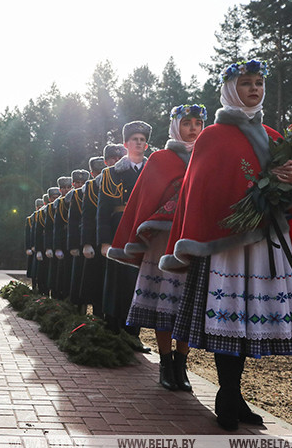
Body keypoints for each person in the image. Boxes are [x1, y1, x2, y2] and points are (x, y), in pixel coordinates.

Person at [160, 60, 292, 431]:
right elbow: (202, 190)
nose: (255, 89)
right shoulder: (213, 136)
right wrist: (242, 205)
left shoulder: (272, 135)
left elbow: (291, 187)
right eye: (247, 83)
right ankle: (227, 396)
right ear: (231, 88)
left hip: (265, 245)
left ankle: (234, 395)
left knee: (250, 322)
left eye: (259, 83)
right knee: (230, 320)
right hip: (227, 246)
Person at [109, 104, 207, 391]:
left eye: (198, 123)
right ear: (175, 125)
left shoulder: (207, 156)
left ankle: (182, 363)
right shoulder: (160, 158)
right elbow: (144, 199)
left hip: (193, 242)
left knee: (187, 306)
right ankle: (166, 363)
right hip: (163, 245)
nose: (193, 128)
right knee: (165, 305)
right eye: (186, 122)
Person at [98, 120, 153, 353]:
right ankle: (112, 330)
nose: (138, 143)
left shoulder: (154, 172)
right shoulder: (111, 174)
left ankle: (133, 335)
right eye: (134, 140)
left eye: (142, 140)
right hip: (119, 230)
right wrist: (104, 241)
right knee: (116, 281)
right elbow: (102, 211)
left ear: (147, 145)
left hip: (142, 232)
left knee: (138, 283)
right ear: (126, 144)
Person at [80, 150, 120, 316]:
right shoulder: (91, 186)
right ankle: (97, 315)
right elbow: (88, 217)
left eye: (118, 159)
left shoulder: (125, 178)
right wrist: (87, 243)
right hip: (99, 239)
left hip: (118, 235)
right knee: (97, 279)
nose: (115, 162)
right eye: (111, 159)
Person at [66, 169, 90, 305]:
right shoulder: (74, 196)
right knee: (76, 276)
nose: (80, 185)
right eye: (77, 182)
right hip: (78, 241)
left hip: (91, 239)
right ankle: (75, 306)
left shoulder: (95, 192)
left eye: (83, 182)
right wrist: (73, 245)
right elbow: (72, 223)